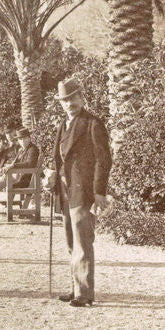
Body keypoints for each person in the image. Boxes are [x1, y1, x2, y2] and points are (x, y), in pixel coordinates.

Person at [49, 77, 111, 307]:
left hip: (84, 190)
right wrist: (52, 175)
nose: (69, 104)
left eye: (73, 98)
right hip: (65, 190)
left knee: (83, 240)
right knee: (70, 240)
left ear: (82, 98)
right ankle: (75, 287)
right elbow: (58, 158)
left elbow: (103, 160)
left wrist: (99, 191)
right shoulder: (62, 125)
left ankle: (84, 293)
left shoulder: (93, 123)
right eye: (64, 100)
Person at [0, 126, 40, 223]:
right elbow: (6, 167)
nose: (22, 141)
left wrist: (13, 165)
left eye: (24, 138)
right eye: (20, 139)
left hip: (20, 179)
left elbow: (30, 163)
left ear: (29, 138)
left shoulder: (32, 149)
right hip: (12, 176)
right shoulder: (22, 150)